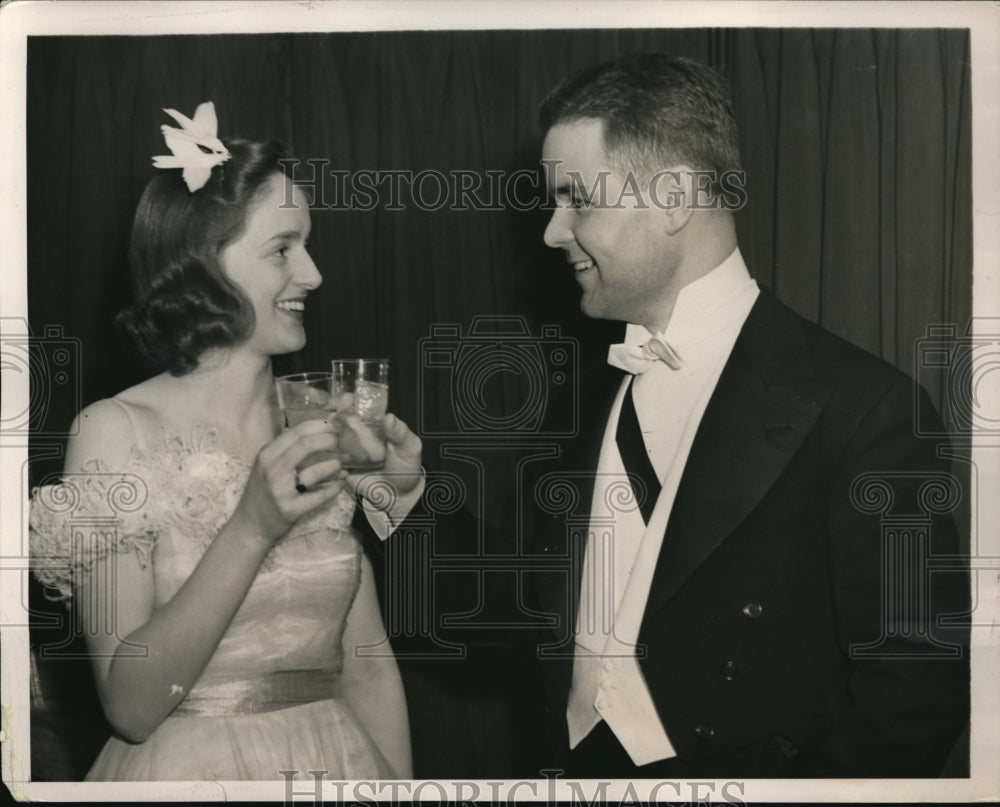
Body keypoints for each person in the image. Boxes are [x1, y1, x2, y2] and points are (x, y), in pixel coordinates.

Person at [521, 54, 970, 778]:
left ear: (671, 199)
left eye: (577, 198)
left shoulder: (863, 408)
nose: (552, 230)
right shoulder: (581, 392)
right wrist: (405, 496)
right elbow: (529, 615)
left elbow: (918, 684)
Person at [29, 103, 420, 781]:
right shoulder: (112, 431)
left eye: (308, 244)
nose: (313, 275)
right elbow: (130, 703)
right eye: (282, 248)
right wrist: (251, 526)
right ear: (203, 261)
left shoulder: (317, 421)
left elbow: (368, 663)